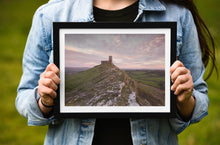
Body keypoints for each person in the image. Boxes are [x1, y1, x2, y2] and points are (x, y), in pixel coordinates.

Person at [16, 0, 217, 145]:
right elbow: (24, 96)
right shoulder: (50, 15)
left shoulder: (178, 14)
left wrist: (184, 100)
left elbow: (199, 100)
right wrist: (45, 101)